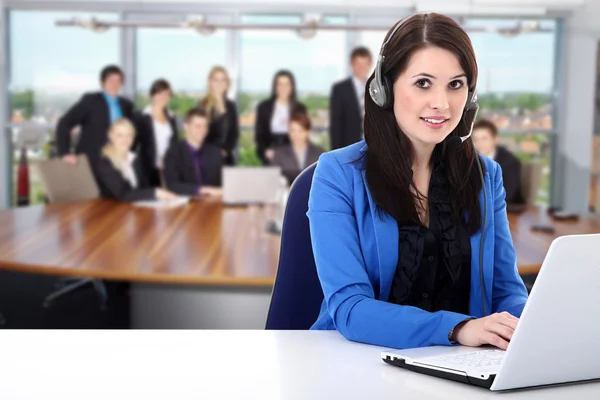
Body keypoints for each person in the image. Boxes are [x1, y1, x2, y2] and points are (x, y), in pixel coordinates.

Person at [308, 13, 528, 351]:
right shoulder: (337, 173)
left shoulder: (486, 176)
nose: (441, 103)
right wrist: (457, 328)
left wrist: (533, 331)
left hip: (460, 368)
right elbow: (350, 309)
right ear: (384, 89)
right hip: (358, 361)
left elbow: (506, 292)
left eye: (456, 84)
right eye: (423, 82)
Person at [56, 65, 134, 173]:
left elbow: (131, 132)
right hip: (92, 162)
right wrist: (65, 152)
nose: (114, 84)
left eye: (118, 81)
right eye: (110, 80)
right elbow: (65, 123)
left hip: (117, 162)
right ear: (102, 82)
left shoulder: (127, 105)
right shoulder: (90, 101)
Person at [96, 119, 178, 202]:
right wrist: (156, 193)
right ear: (110, 136)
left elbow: (144, 187)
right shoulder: (105, 163)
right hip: (112, 210)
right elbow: (123, 194)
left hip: (135, 206)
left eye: (129, 135)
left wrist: (160, 194)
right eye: (119, 135)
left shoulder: (135, 158)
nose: (125, 139)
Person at [163, 108, 223, 197]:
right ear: (186, 127)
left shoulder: (215, 152)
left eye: (205, 126)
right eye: (198, 126)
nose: (203, 130)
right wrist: (203, 190)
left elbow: (225, 182)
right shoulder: (174, 152)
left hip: (213, 203)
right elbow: (172, 185)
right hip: (186, 205)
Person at [255, 70, 307, 165]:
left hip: (293, 155)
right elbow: (259, 135)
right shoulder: (264, 107)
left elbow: (303, 132)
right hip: (271, 153)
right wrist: (265, 151)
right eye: (280, 84)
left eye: (287, 84)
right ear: (275, 87)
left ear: (292, 87)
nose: (283, 88)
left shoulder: (300, 108)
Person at [133, 78, 179, 187]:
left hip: (168, 165)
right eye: (159, 93)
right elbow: (133, 144)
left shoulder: (171, 117)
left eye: (167, 94)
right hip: (148, 168)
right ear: (152, 95)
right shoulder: (141, 117)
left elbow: (174, 142)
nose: (163, 97)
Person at [329, 47, 373, 150]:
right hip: (348, 146)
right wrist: (335, 152)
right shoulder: (340, 89)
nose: (362, 68)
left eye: (365, 64)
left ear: (370, 64)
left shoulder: (376, 87)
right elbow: (335, 124)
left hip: (373, 146)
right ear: (352, 64)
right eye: (358, 64)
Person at [472, 119, 522, 204]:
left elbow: (507, 195)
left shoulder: (509, 162)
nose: (479, 143)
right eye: (476, 139)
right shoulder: (472, 159)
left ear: (495, 139)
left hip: (507, 209)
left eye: (484, 139)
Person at [198, 66, 240, 166]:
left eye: (223, 80)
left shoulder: (231, 105)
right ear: (210, 82)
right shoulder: (202, 105)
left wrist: (226, 150)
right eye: (216, 80)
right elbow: (199, 134)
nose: (219, 83)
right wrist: (213, 153)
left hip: (227, 159)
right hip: (208, 158)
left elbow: (234, 133)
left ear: (227, 84)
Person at [271, 111, 324, 185]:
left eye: (300, 131)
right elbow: (273, 180)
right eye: (292, 131)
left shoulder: (319, 153)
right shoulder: (279, 153)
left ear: (308, 132)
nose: (296, 135)